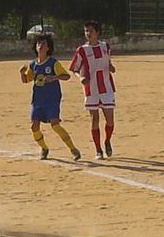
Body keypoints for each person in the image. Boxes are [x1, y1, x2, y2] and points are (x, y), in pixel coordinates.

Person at [19, 34, 81, 161]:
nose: (40, 46)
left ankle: (73, 149)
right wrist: (22, 73)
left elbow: (66, 76)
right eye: (38, 44)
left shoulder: (53, 63)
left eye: (43, 44)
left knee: (55, 125)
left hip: (52, 99)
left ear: (48, 48)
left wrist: (54, 77)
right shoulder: (33, 65)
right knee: (34, 127)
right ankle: (44, 148)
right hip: (38, 100)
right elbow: (26, 80)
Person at [69, 20, 116, 160]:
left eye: (91, 31)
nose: (88, 33)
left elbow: (108, 62)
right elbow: (74, 69)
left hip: (106, 87)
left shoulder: (105, 47)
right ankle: (98, 150)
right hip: (91, 89)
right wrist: (81, 78)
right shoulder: (82, 50)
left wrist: (111, 67)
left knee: (110, 120)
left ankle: (107, 141)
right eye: (86, 31)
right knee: (94, 119)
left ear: (97, 32)